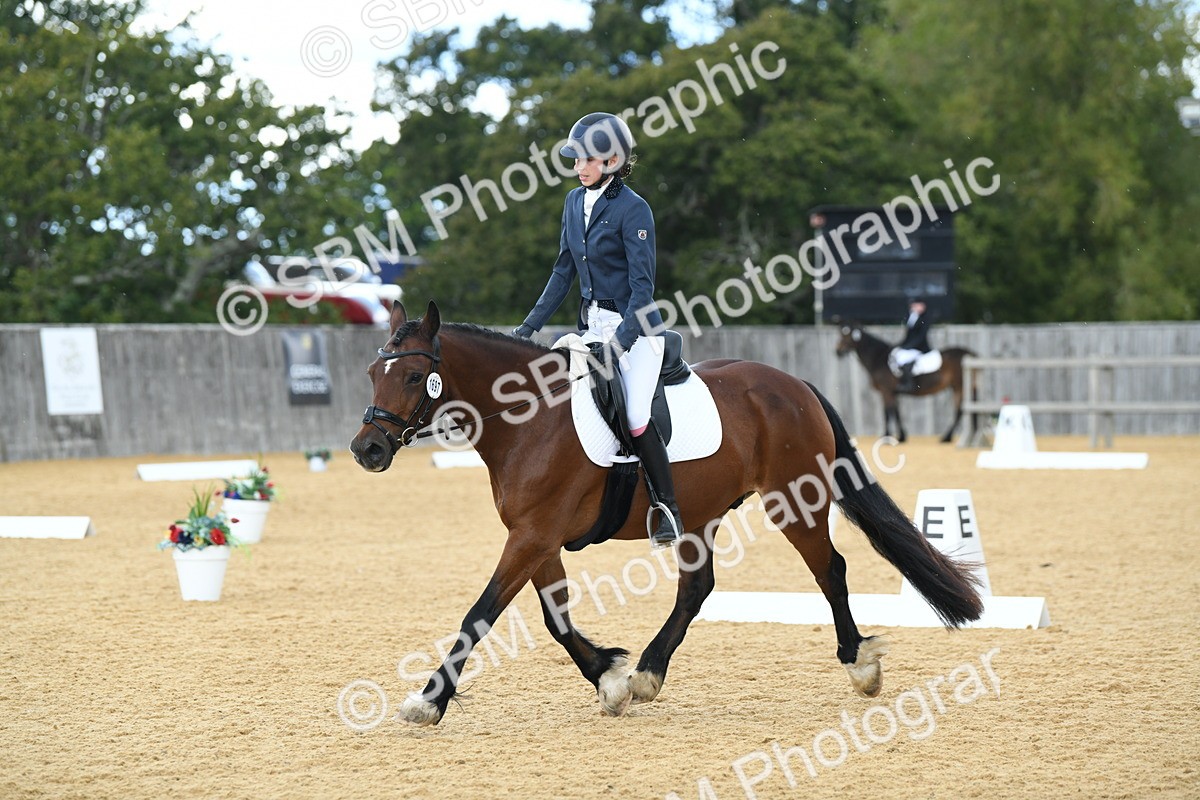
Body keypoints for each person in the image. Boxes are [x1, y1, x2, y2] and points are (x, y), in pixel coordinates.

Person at [512, 112, 682, 549]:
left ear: (612, 161)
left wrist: (619, 346)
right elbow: (562, 272)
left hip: (636, 331)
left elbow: (643, 291)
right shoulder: (573, 202)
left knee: (636, 416)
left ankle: (668, 509)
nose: (578, 167)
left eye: (587, 159)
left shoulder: (634, 208)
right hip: (590, 327)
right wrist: (527, 328)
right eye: (576, 159)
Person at [893, 298, 931, 392]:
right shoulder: (912, 317)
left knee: (903, 359)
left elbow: (921, 337)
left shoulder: (925, 318)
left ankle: (908, 383)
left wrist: (908, 347)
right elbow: (908, 336)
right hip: (911, 347)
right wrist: (900, 345)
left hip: (919, 347)